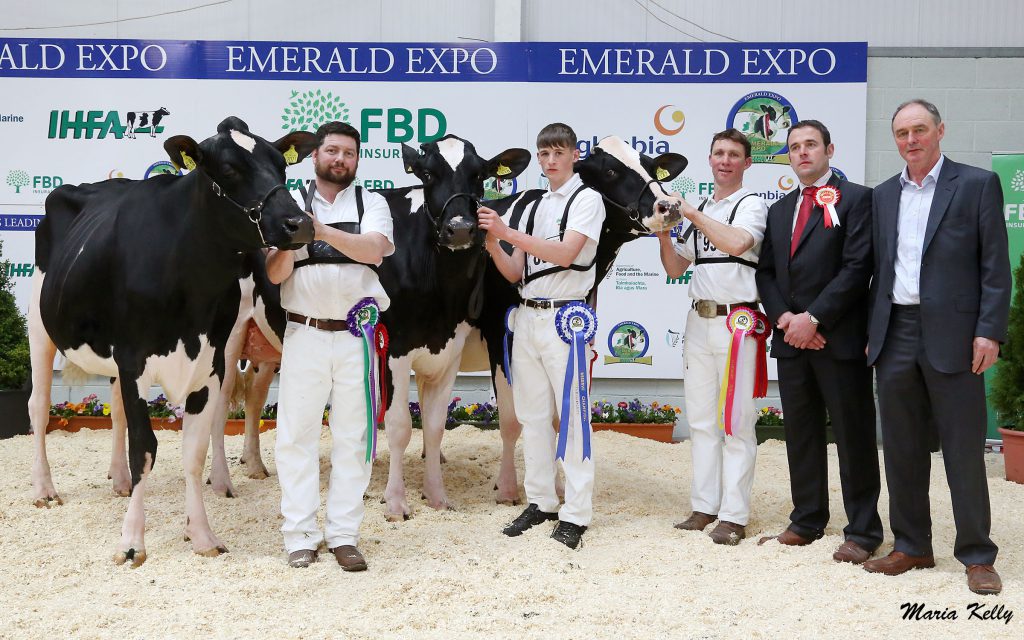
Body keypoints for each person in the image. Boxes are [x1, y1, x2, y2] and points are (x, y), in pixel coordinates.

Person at [865, 99, 1010, 595]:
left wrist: (989, 330)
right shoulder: (884, 195)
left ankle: (977, 554)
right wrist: (873, 331)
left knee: (963, 450)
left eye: (920, 130)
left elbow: (995, 265)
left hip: (956, 335)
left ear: (940, 130)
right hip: (896, 333)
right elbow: (879, 268)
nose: (911, 140)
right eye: (902, 133)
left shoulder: (975, 185)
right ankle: (912, 545)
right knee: (901, 448)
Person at [266, 121, 395, 569]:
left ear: (357, 160)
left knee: (353, 438)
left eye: (349, 153)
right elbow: (276, 273)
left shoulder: (371, 202)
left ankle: (343, 534)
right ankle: (300, 535)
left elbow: (374, 250)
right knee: (296, 436)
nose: (341, 159)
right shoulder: (289, 201)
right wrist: (290, 239)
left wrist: (316, 230)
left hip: (357, 337)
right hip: (304, 333)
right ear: (315, 155)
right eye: (333, 151)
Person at [754, 120, 882, 563]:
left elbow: (857, 267)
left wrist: (814, 318)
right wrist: (786, 319)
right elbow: (766, 272)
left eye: (811, 144)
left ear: (829, 150)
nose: (803, 152)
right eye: (795, 147)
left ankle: (863, 530)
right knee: (801, 434)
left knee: (853, 435)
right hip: (791, 340)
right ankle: (807, 519)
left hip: (837, 339)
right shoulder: (779, 210)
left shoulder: (858, 199)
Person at [477, 122, 606, 549]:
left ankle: (577, 513)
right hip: (528, 315)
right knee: (531, 415)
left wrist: (506, 232)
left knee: (572, 418)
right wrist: (492, 244)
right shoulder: (533, 206)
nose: (551, 161)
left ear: (574, 155)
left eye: (558, 152)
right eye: (544, 154)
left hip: (567, 320)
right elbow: (515, 271)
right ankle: (542, 500)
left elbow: (567, 254)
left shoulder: (587, 199)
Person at [656, 128, 768, 545]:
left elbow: (738, 243)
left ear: (746, 162)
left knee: (736, 422)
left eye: (733, 154)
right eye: (719, 153)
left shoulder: (751, 204)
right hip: (699, 321)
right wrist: (663, 231)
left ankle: (734, 515)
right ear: (710, 159)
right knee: (701, 420)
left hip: (738, 323)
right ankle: (704, 505)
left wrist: (689, 212)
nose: (725, 160)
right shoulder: (701, 208)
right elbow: (674, 268)